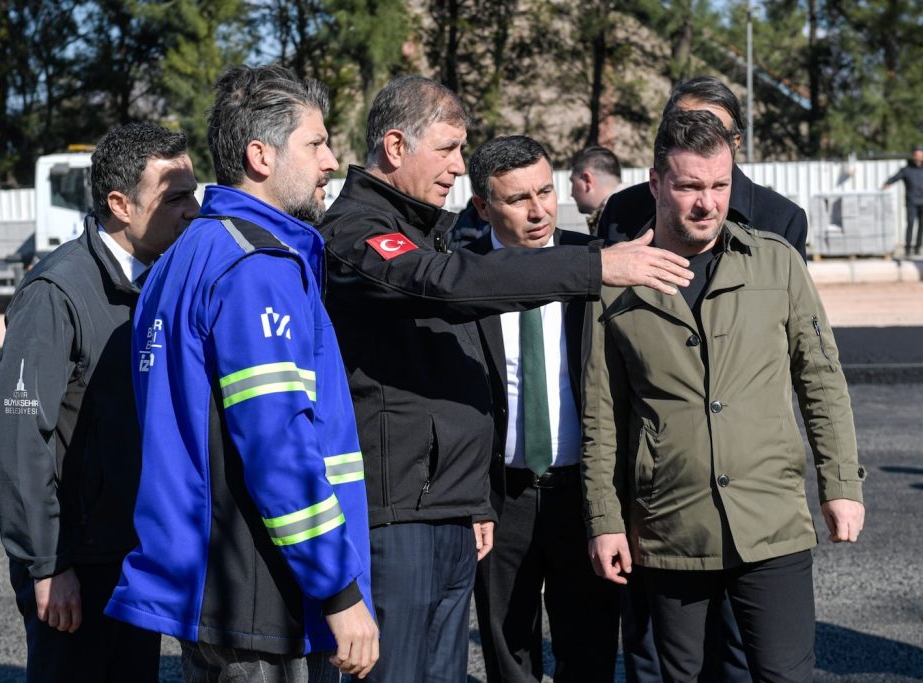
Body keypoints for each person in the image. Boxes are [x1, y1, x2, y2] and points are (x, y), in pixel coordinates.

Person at [318, 74, 692, 683]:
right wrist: (591, 267)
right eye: (448, 149)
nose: (457, 165)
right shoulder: (368, 233)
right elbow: (438, 285)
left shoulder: (424, 232)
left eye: (547, 192)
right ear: (395, 146)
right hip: (412, 510)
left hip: (472, 502)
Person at [104, 65, 378, 681]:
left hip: (211, 583)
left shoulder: (183, 256)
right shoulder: (256, 266)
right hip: (264, 589)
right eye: (316, 143)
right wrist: (340, 589)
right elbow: (278, 445)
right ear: (260, 156)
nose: (331, 161)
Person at [582, 109, 867, 683]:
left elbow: (821, 380)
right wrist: (604, 518)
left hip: (772, 521)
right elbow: (601, 412)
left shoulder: (776, 263)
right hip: (670, 526)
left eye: (719, 185)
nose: (707, 203)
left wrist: (841, 484)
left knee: (785, 674)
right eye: (690, 186)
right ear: (656, 184)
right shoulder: (616, 284)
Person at [0, 122, 199, 681]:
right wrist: (48, 564)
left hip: (134, 553)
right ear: (120, 205)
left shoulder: (159, 282)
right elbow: (19, 439)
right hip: (76, 563)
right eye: (175, 198)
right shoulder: (56, 293)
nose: (193, 210)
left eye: (193, 193)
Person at [465, 135, 619, 682]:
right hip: (498, 499)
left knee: (591, 652)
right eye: (518, 199)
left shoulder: (595, 263)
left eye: (546, 192)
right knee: (509, 656)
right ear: (483, 206)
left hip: (584, 494)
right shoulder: (458, 275)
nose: (539, 212)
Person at [597, 75, 808, 261]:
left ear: (735, 142)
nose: (696, 136)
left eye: (713, 129)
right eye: (683, 126)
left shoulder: (782, 219)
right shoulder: (622, 210)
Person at [569, 145, 622, 233]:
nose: (571, 194)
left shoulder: (619, 217)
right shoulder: (614, 214)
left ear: (587, 180)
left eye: (573, 182)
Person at [882, 145, 923, 256]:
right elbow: (895, 177)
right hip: (911, 202)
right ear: (913, 156)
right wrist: (887, 183)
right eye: (917, 155)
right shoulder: (906, 170)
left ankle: (918, 247)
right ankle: (908, 248)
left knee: (921, 226)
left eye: (921, 155)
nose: (919, 158)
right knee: (910, 224)